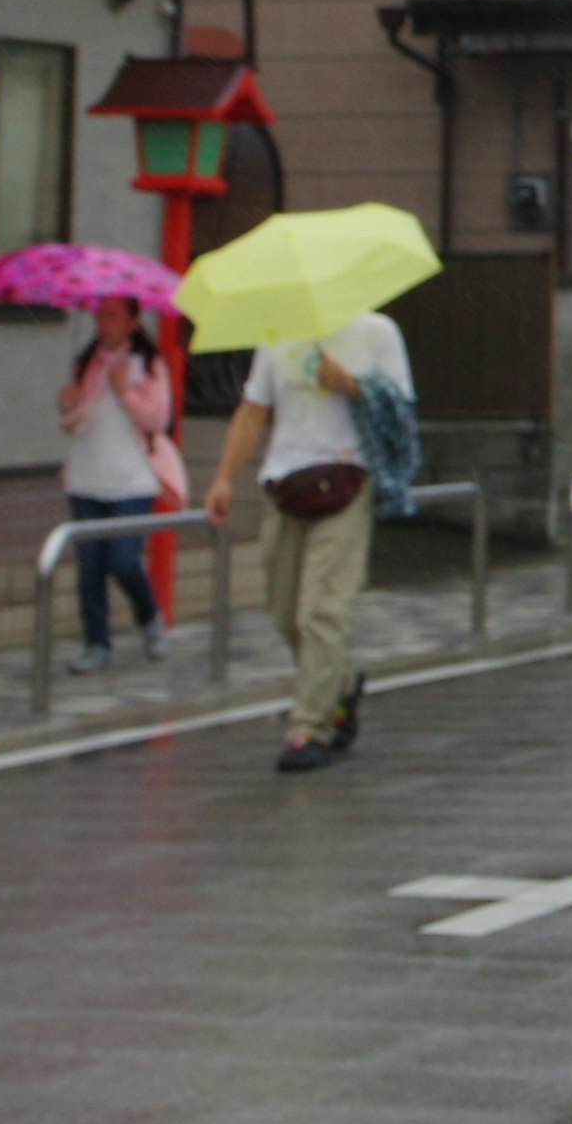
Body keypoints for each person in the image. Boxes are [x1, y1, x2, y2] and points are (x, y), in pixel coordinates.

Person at [203, 306, 412, 774]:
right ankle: (342, 682)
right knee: (284, 611)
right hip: (285, 486)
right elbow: (254, 409)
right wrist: (223, 478)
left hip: (347, 483)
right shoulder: (276, 332)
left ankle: (309, 727)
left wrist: (353, 385)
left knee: (322, 611)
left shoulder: (377, 332)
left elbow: (402, 413)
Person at [56, 298, 180, 671]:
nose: (103, 323)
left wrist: (126, 391)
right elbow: (76, 424)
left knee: (123, 560)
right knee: (90, 565)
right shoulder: (87, 362)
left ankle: (149, 617)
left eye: (113, 316)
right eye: (99, 314)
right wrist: (67, 407)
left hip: (133, 479)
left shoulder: (149, 363)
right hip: (88, 476)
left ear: (132, 321)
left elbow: (158, 419)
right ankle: (96, 643)